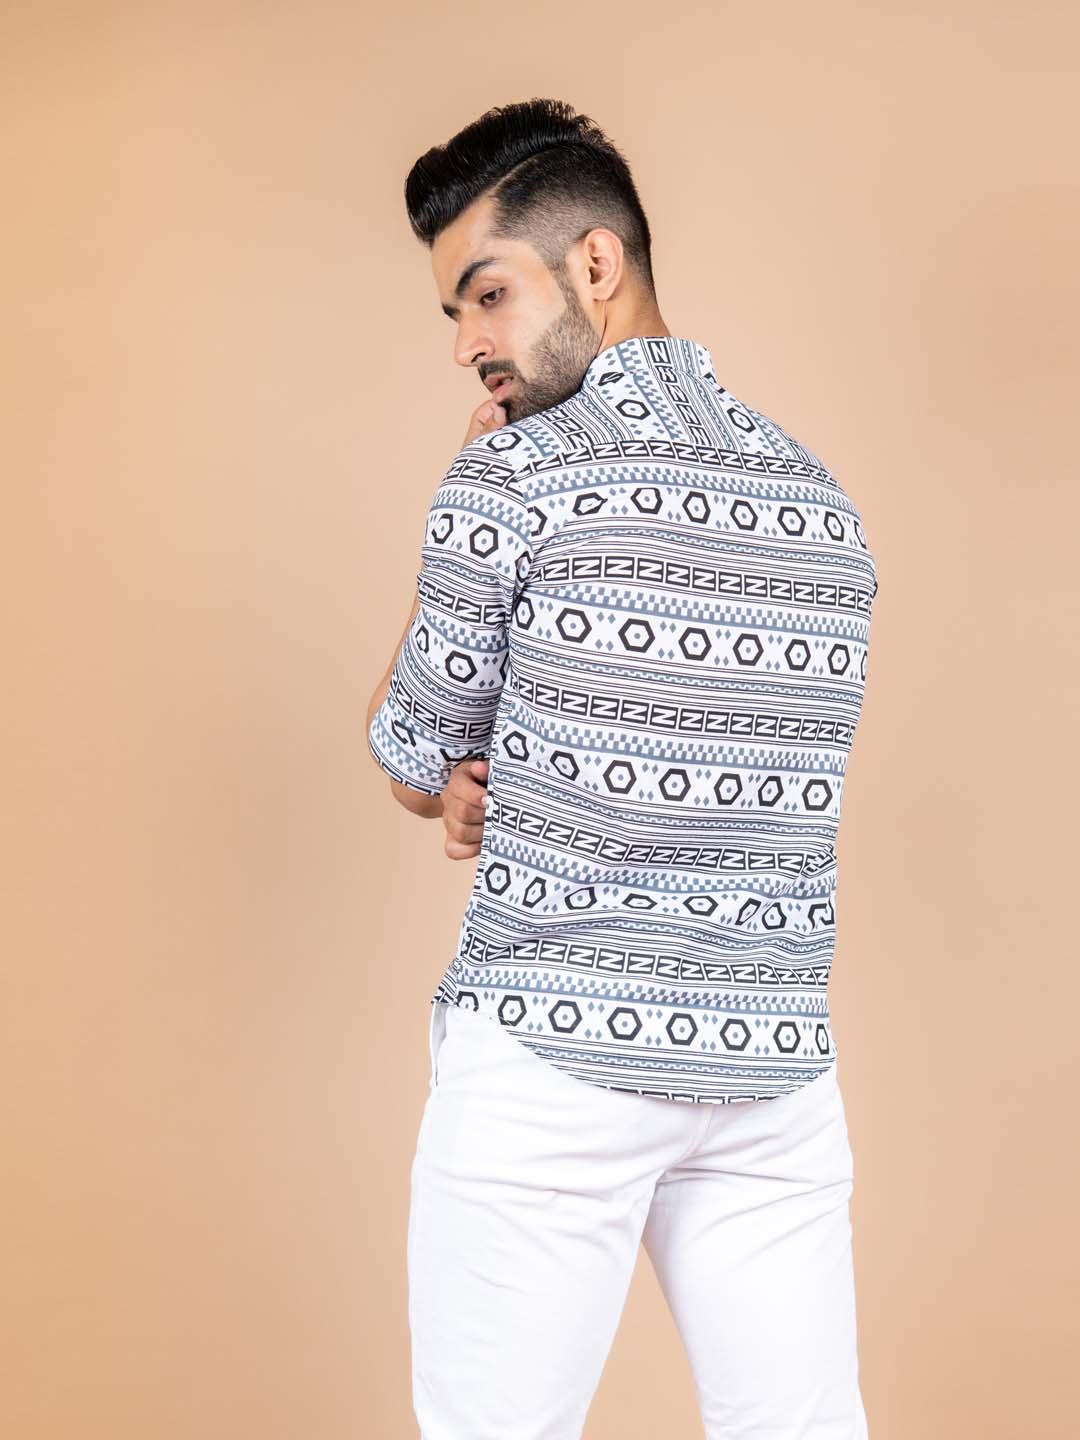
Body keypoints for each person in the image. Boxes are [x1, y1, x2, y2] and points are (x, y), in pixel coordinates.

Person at [367, 97, 878, 1440]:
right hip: (769, 1064)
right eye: (454, 315)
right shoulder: (821, 503)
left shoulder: (512, 480)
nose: (469, 344)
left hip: (551, 1057)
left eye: (489, 294)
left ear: (595, 262)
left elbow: (412, 754)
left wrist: (462, 504)